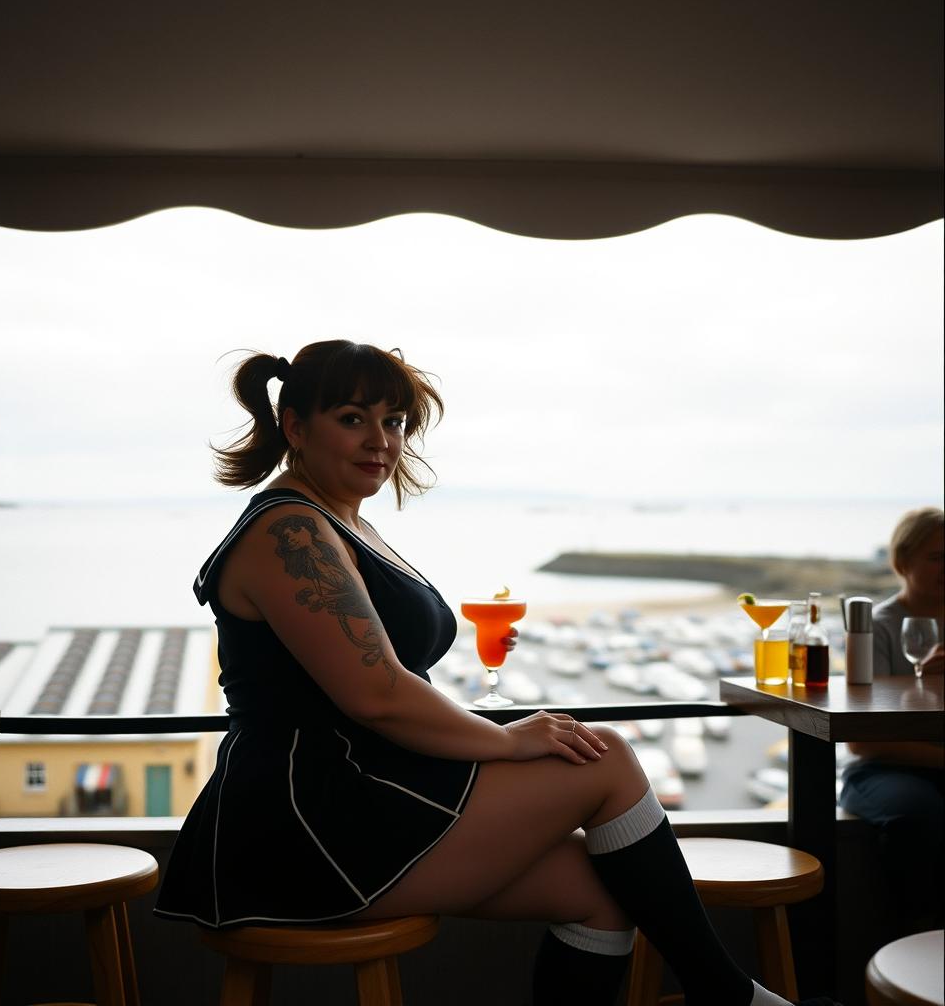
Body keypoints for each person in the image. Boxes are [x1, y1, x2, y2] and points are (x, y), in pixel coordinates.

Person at [155, 340, 838, 1006]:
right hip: (303, 821)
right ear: (295, 427)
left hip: (362, 791)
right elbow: (378, 695)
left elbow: (387, 692)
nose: (381, 441)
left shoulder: (341, 522)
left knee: (600, 894)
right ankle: (725, 994)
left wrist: (500, 732)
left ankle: (722, 993)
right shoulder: (289, 533)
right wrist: (509, 740)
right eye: (352, 418)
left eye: (394, 421)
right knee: (605, 759)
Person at [839, 506, 944, 937]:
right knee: (917, 814)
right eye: (937, 557)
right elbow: (861, 743)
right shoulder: (877, 627)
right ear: (902, 562)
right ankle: (916, 937)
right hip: (882, 770)